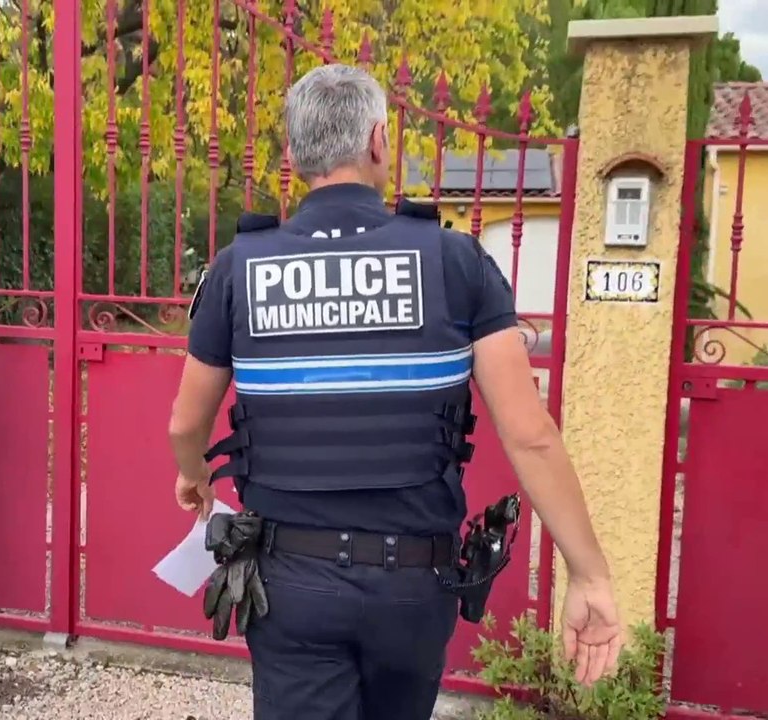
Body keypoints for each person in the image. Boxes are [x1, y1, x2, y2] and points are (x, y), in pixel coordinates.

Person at [168, 64, 623, 720]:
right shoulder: (456, 261)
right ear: (380, 142)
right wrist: (590, 574)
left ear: (293, 159)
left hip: (291, 584)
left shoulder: (239, 269)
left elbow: (187, 423)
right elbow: (531, 435)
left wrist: (195, 481)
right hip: (414, 584)